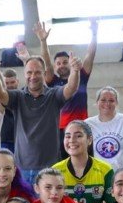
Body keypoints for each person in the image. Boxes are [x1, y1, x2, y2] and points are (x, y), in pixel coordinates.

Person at [0, 50, 80, 183]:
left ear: (44, 73)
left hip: (50, 168)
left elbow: (71, 87)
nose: (33, 76)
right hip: (21, 168)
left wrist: (75, 71)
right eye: (29, 73)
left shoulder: (54, 95)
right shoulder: (17, 97)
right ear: (24, 74)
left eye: (37, 72)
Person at [36, 19, 98, 160]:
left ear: (70, 63)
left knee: (86, 162)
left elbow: (90, 55)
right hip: (61, 130)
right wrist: (43, 41)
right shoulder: (53, 82)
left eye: (65, 62)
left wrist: (94, 33)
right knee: (63, 167)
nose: (62, 65)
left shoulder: (81, 76)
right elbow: (46, 61)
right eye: (58, 63)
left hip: (83, 127)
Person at [51, 120, 116, 203]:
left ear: (89, 140)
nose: (72, 140)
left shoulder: (105, 169)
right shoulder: (55, 171)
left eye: (78, 136)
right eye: (68, 136)